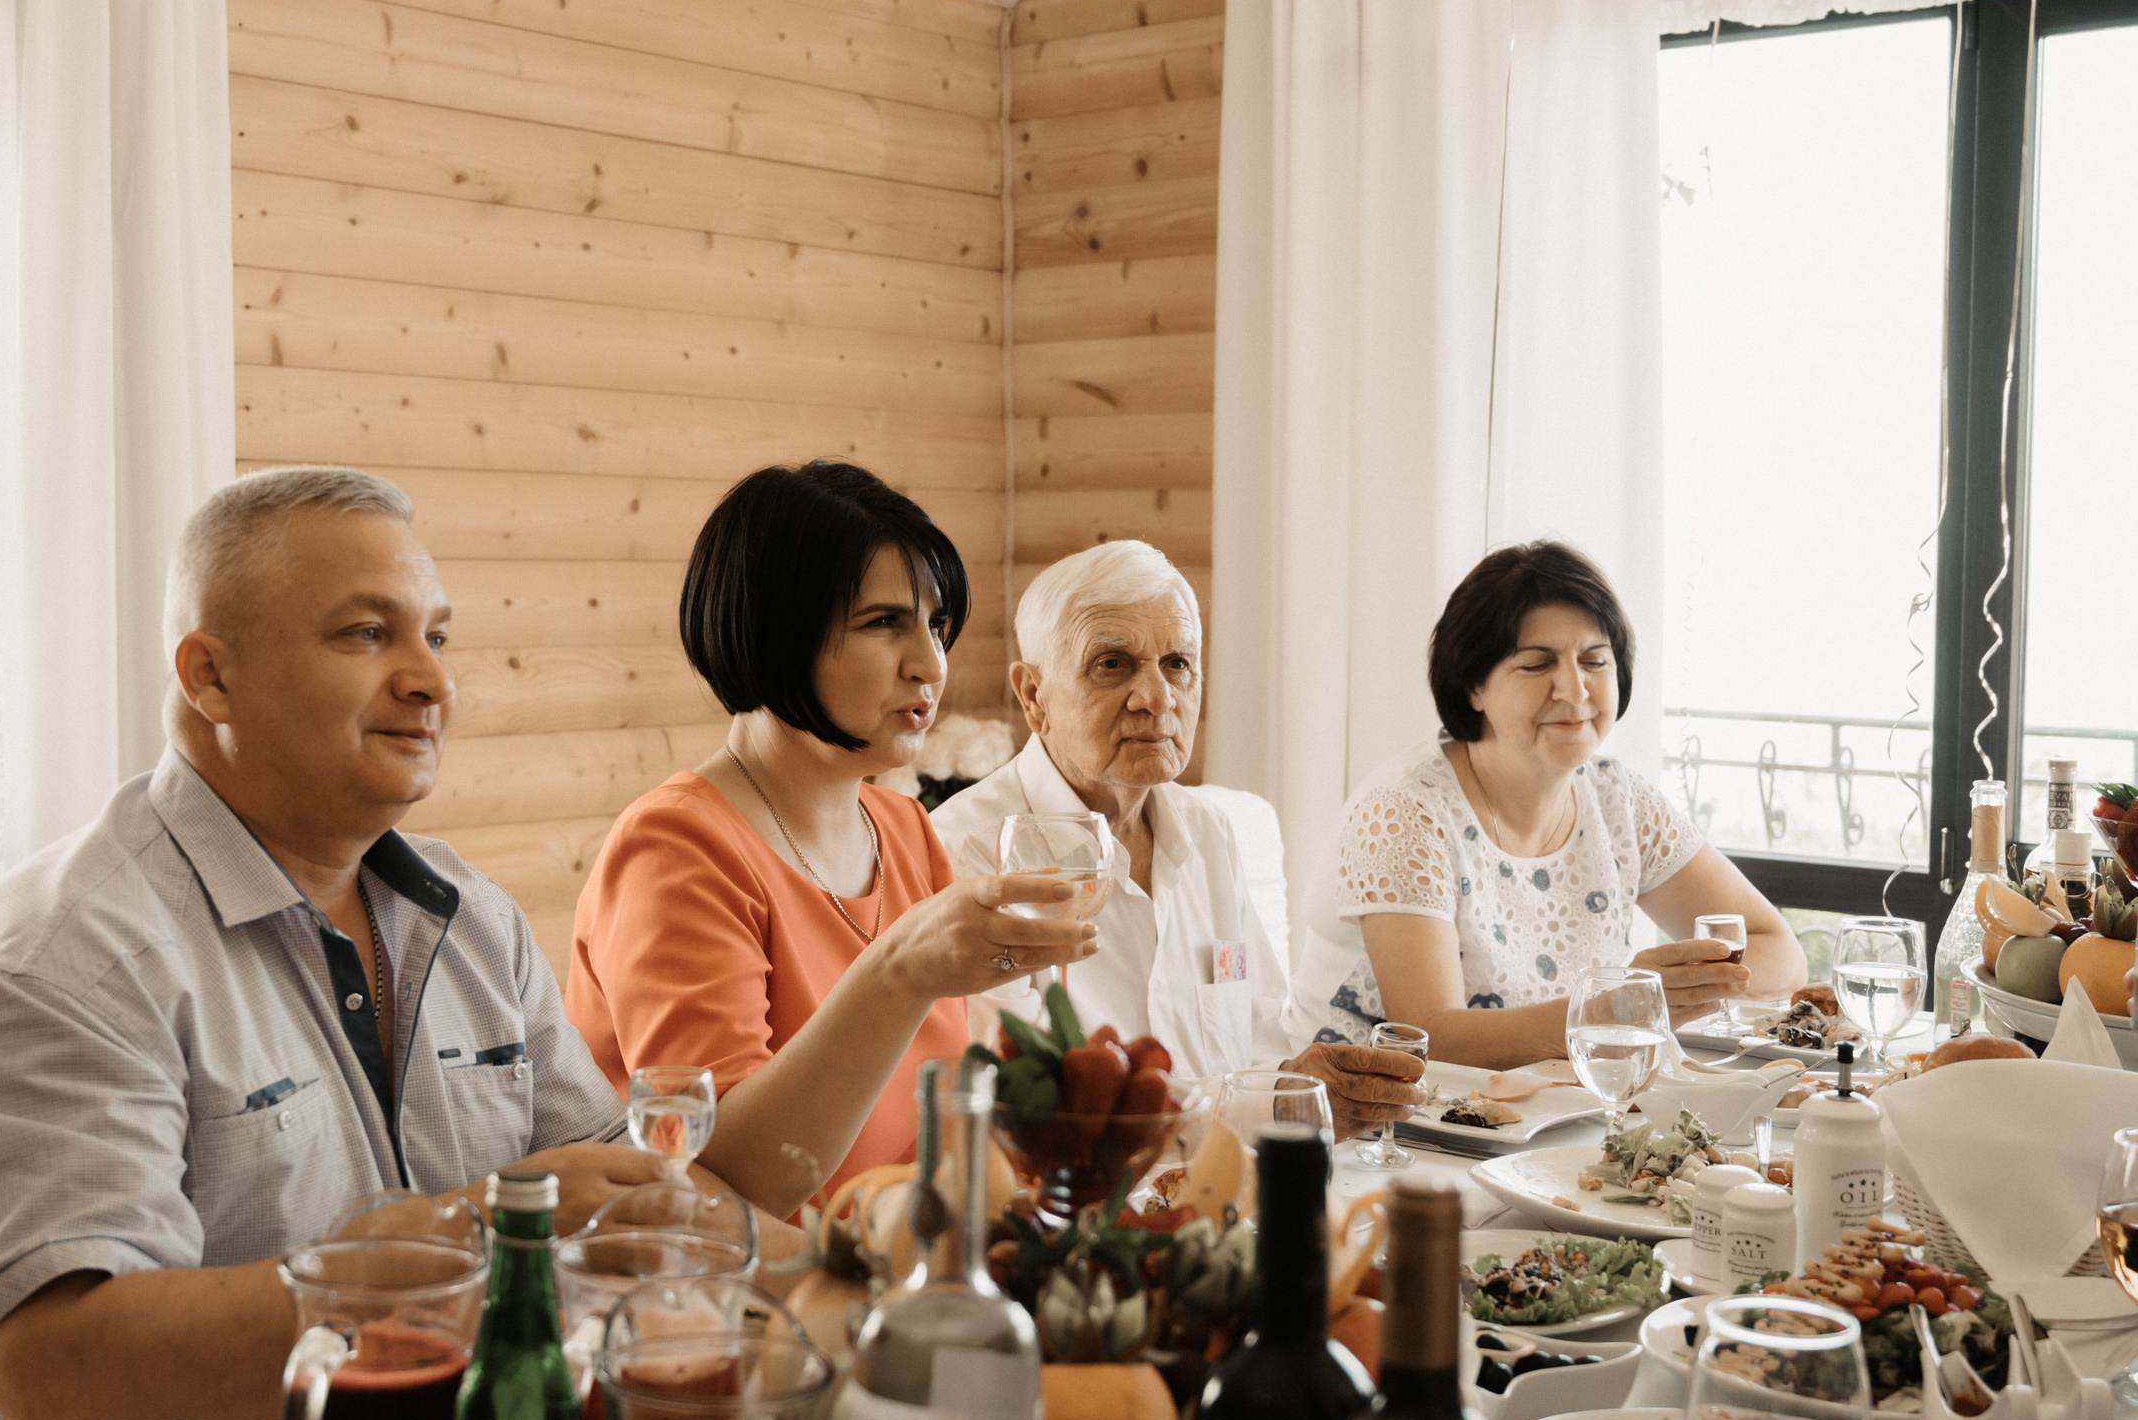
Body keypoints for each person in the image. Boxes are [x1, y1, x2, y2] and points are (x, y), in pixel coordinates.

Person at [0, 467, 694, 1420]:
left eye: (436, 638)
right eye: (366, 634)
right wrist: (481, 1234)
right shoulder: (53, 959)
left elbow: (611, 1192)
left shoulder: (473, 918)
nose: (430, 681)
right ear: (211, 677)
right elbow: (67, 1392)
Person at [564, 462, 1095, 1219]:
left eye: (936, 625)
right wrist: (901, 972)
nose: (931, 664)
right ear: (777, 630)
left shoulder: (906, 830)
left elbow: (939, 1127)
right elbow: (735, 1180)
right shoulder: (676, 846)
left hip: (898, 1280)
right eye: (886, 623)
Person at [932, 541, 1425, 1139]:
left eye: (1178, 663)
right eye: (1112, 664)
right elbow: (1026, 1101)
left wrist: (1301, 1089)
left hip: (1223, 1195)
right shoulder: (968, 852)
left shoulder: (1211, 830)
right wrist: (1268, 1103)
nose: (1158, 697)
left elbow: (1262, 1043)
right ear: (1034, 696)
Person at [1287, 541, 1806, 1070]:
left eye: (1594, 661)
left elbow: (1778, 950)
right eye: (1537, 665)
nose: (1574, 689)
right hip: (1375, 1125)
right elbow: (1432, 1038)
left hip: (1548, 1110)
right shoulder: (1403, 812)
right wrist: (1614, 1009)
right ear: (1473, 687)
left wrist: (1681, 988)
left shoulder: (1618, 798)